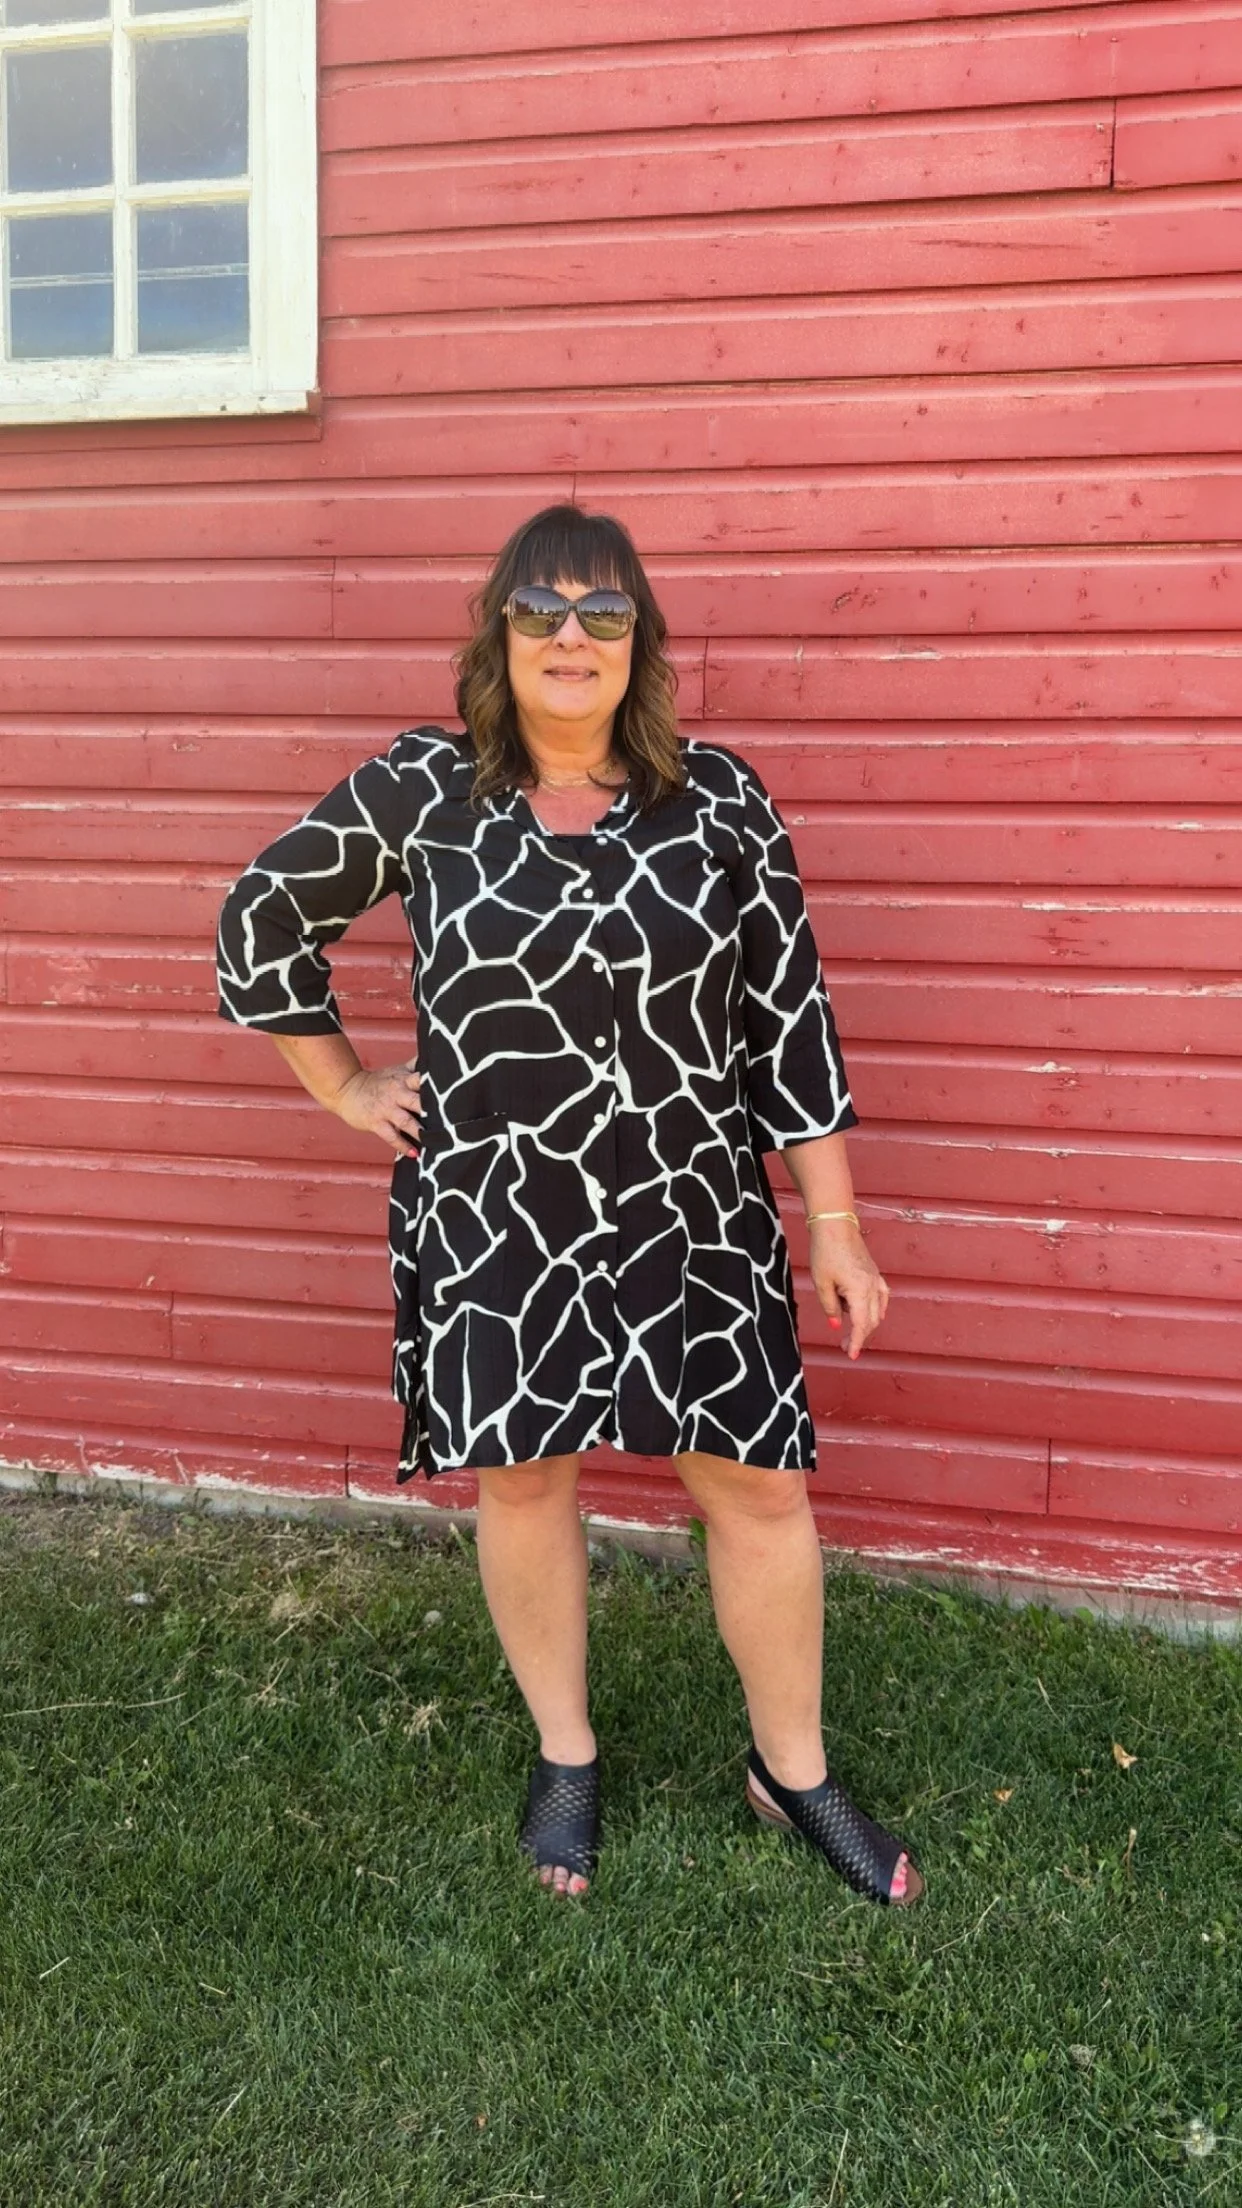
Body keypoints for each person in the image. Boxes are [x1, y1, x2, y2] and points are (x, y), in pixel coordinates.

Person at [216, 504, 922, 1907]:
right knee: (525, 1478)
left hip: (693, 1206)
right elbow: (259, 919)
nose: (569, 638)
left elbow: (789, 1019)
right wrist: (348, 1088)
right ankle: (566, 1757)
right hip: (497, 1208)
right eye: (539, 609)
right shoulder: (426, 790)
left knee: (756, 1488)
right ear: (499, 629)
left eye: (603, 614)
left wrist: (832, 1222)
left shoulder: (717, 799)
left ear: (639, 640)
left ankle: (791, 1769)